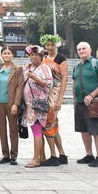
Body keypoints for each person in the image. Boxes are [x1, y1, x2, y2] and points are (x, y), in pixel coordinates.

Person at [72, 42, 98, 168]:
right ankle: (89, 154)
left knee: (96, 131)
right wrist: (74, 100)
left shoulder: (97, 63)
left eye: (84, 48)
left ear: (90, 50)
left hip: (94, 102)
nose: (81, 51)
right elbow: (74, 83)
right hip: (80, 102)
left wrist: (92, 95)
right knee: (83, 130)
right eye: (79, 49)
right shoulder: (77, 66)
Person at [21, 45, 53, 168]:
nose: (34, 57)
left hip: (38, 104)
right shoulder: (28, 68)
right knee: (37, 130)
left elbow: (49, 84)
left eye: (36, 55)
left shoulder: (44, 68)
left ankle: (36, 158)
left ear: (41, 57)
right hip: (29, 105)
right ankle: (42, 156)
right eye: (32, 55)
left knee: (37, 131)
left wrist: (35, 78)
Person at [41, 34, 69, 165]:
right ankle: (62, 154)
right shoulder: (44, 58)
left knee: (49, 123)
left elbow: (64, 78)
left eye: (52, 44)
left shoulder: (61, 58)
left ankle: (53, 156)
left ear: (56, 45)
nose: (50, 47)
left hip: (55, 92)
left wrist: (60, 99)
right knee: (54, 124)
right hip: (45, 92)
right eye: (47, 45)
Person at [0, 46, 24, 165]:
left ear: (12, 55)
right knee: (2, 129)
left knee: (13, 130)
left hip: (11, 103)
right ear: (1, 55)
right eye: (4, 53)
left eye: (9, 53)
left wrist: (16, 104)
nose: (6, 55)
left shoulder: (17, 69)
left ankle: (13, 155)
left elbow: (19, 88)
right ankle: (5, 154)